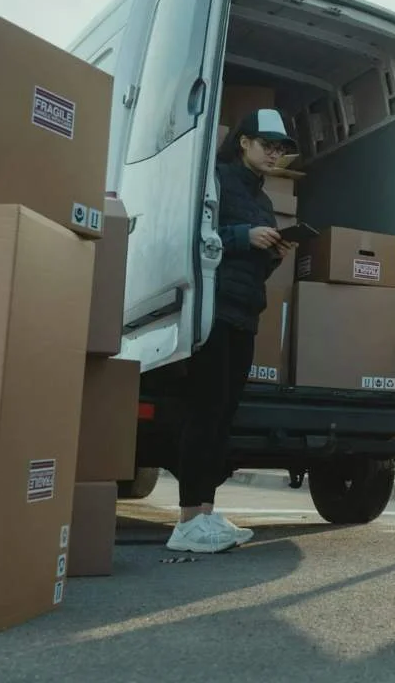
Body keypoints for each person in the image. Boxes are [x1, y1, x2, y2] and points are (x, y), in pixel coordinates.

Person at [166, 108, 299, 554]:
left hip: (245, 312)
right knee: (204, 412)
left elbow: (252, 261)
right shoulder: (216, 180)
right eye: (268, 145)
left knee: (223, 415)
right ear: (243, 141)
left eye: (280, 149)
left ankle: (205, 514)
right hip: (212, 308)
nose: (274, 155)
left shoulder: (263, 199)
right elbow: (192, 234)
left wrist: (274, 251)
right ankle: (186, 520)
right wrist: (245, 237)